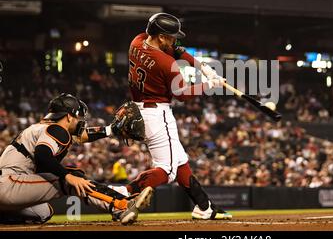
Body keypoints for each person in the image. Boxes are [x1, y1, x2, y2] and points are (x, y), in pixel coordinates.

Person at [125, 12, 232, 220]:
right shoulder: (166, 63)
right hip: (157, 114)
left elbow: (177, 51)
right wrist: (211, 84)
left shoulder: (137, 42)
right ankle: (122, 195)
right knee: (168, 169)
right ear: (162, 37)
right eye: (172, 37)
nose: (175, 41)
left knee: (180, 161)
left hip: (140, 109)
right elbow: (182, 95)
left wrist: (204, 68)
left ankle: (204, 206)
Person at [0, 93, 152, 225]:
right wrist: (67, 176)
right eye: (77, 117)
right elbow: (42, 154)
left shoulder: (43, 127)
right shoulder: (57, 129)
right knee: (72, 178)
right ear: (68, 116)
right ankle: (120, 205)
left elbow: (81, 136)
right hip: (9, 185)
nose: (79, 120)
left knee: (43, 212)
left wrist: (110, 130)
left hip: (9, 185)